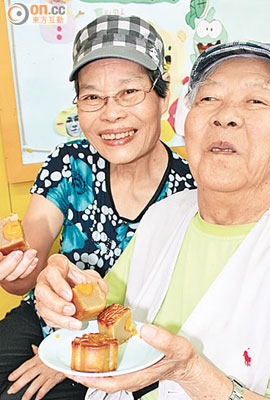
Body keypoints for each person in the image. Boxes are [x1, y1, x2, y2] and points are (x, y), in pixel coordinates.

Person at [35, 41, 270, 400]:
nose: (226, 116)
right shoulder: (167, 213)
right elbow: (105, 307)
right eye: (208, 99)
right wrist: (68, 291)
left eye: (256, 101)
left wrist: (189, 371)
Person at [0, 15, 196, 400]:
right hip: (49, 319)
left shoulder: (189, 188)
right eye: (92, 96)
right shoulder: (69, 162)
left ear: (163, 95)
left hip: (136, 340)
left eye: (129, 92)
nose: (111, 113)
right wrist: (12, 267)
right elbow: (25, 273)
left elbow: (175, 311)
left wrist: (68, 354)